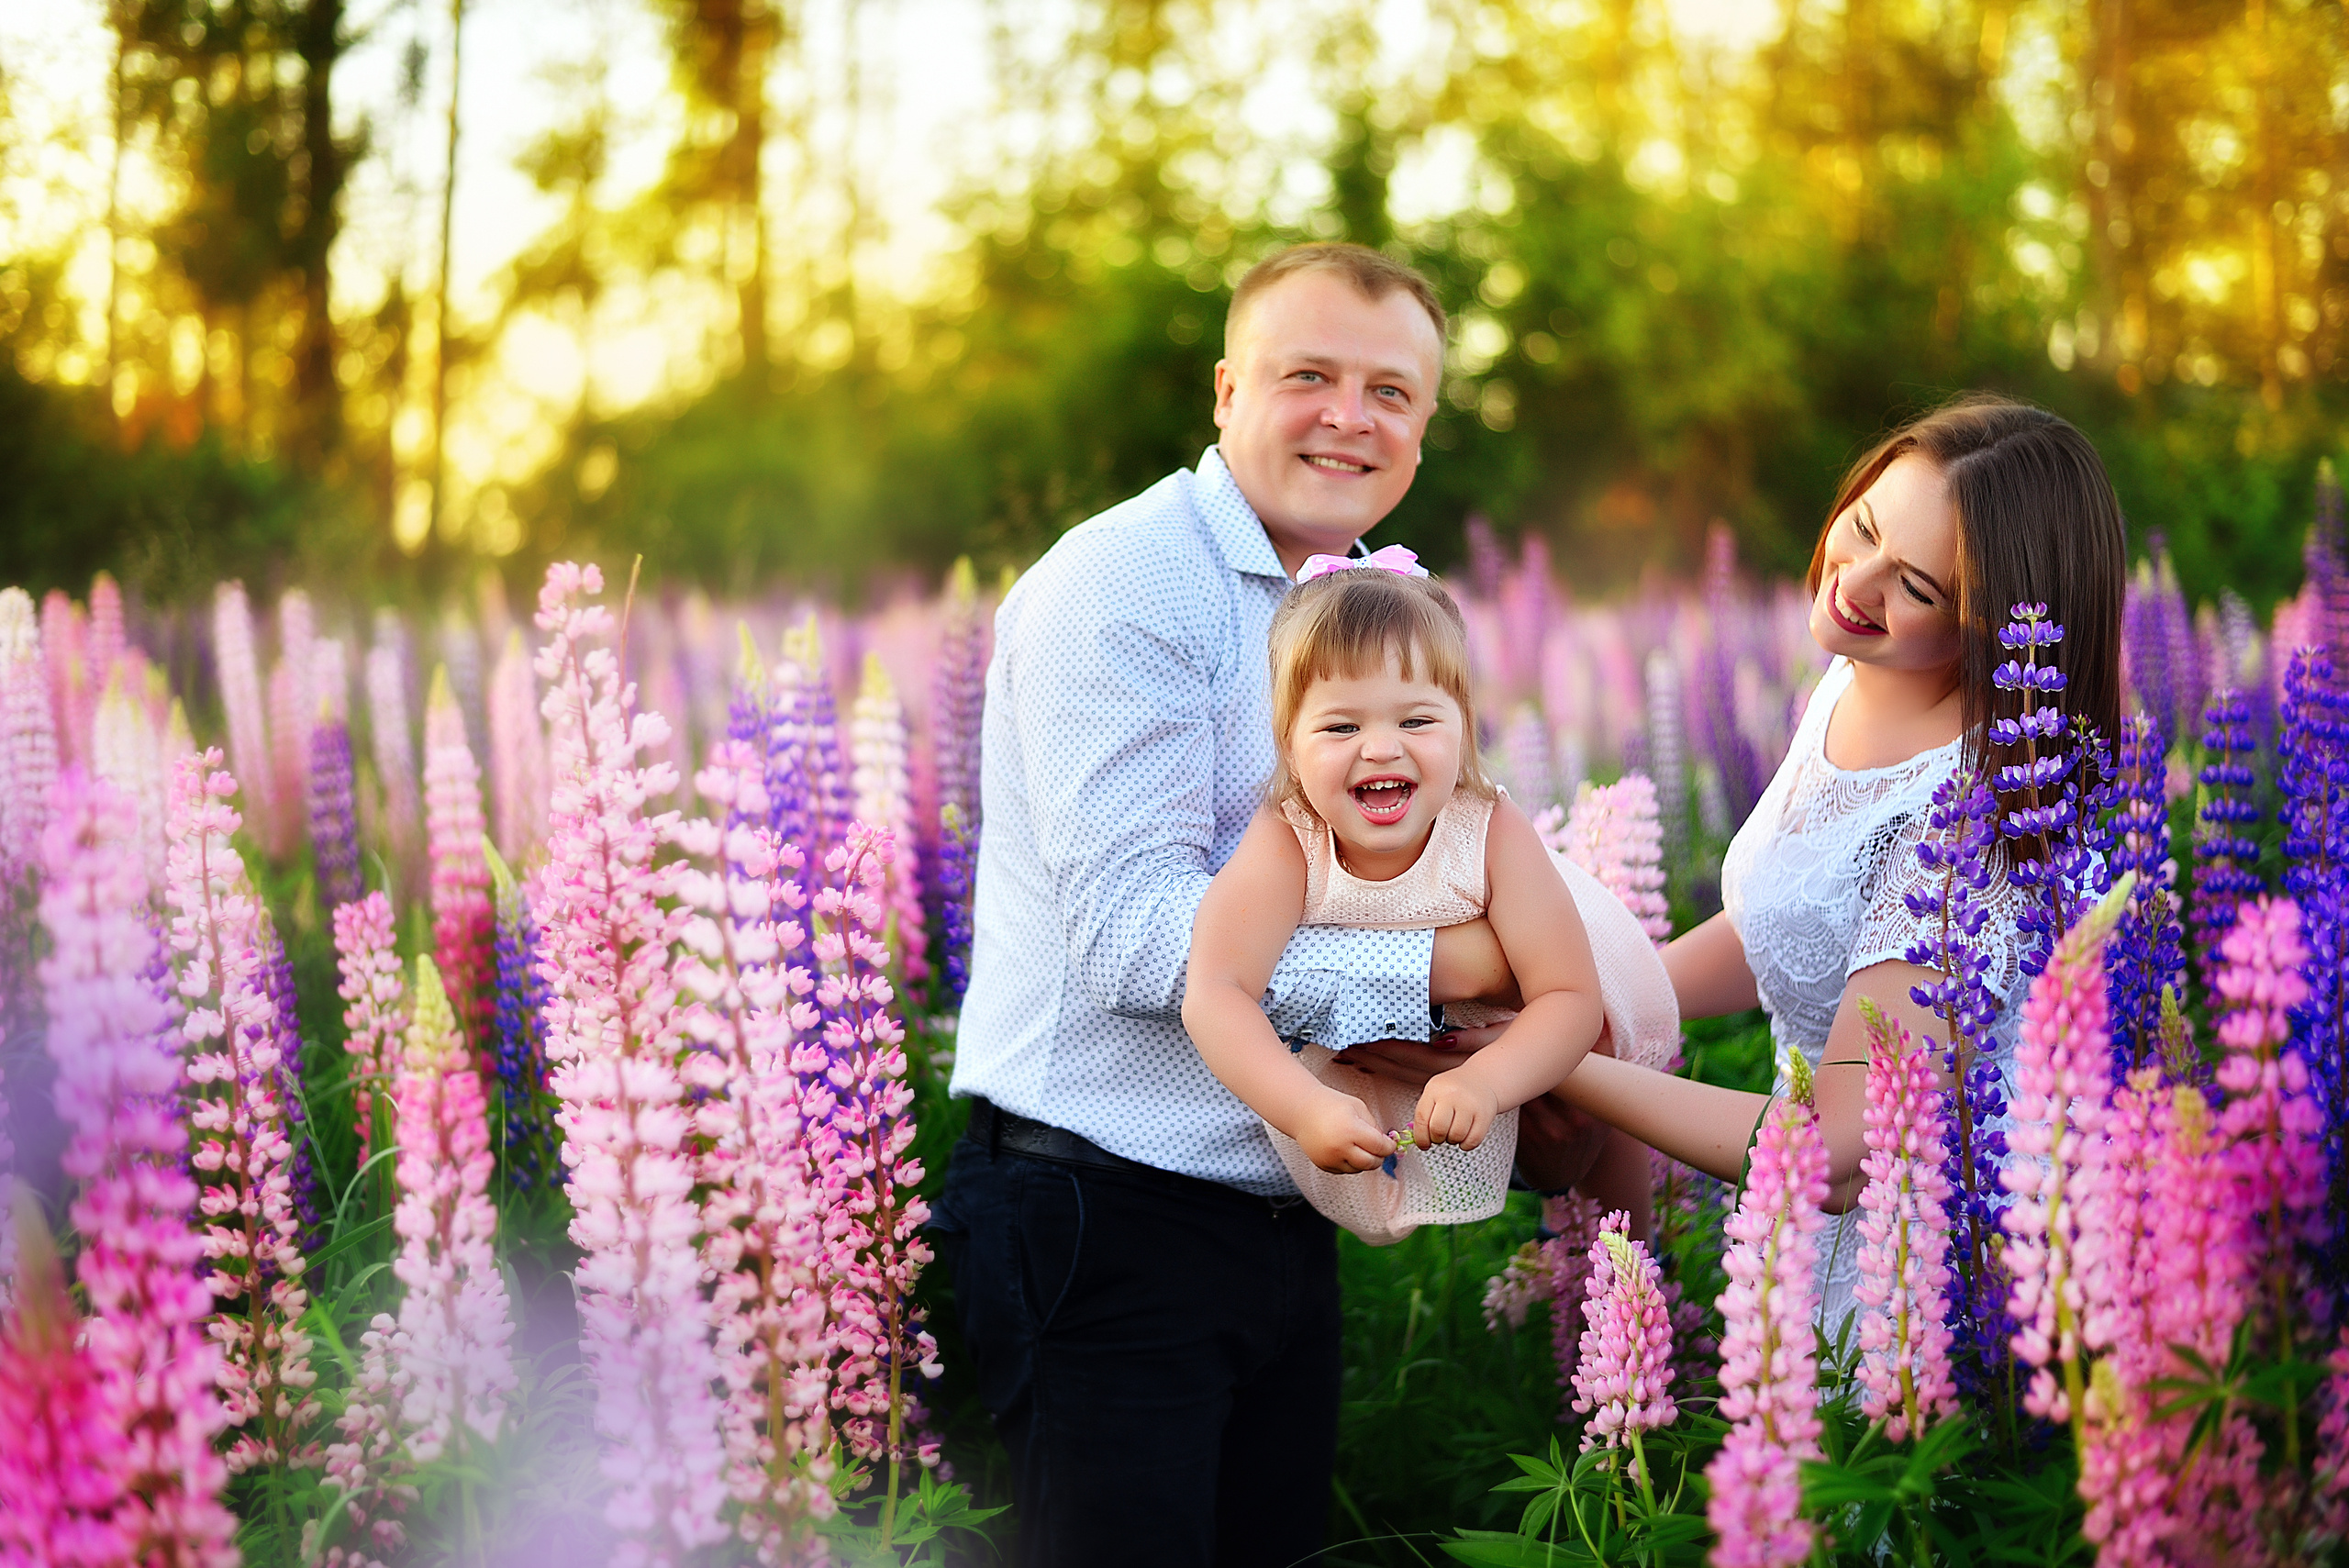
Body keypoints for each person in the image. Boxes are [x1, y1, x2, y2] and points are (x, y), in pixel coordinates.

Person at [930, 242, 1515, 1568]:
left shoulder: (1367, 608)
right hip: (1101, 1214)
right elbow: (1140, 940)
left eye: (1389, 392)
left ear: (1422, 427)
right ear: (1225, 388)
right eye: (1308, 375)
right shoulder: (1125, 585)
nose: (1348, 418)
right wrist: (1443, 970)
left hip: (1276, 1206)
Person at [1336, 394, 2126, 1326]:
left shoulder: (1975, 817)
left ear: (1991, 627)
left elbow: (1836, 1149)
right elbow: (1787, 928)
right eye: (1864, 525)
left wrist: (1535, 1058)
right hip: (1802, 1241)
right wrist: (1582, 999)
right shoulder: (1858, 673)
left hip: (1929, 1288)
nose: (1856, 581)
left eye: (1915, 586)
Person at [1183, 558, 1659, 1245]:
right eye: (1340, 728)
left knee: (1605, 1093)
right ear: (1288, 741)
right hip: (1375, 1058)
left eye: (1416, 719)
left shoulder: (1488, 827)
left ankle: (1641, 1272)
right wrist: (1304, 1105)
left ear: (1463, 725)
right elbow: (1217, 990)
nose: (1381, 748)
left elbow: (1569, 997)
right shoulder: (1290, 834)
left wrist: (1489, 1081)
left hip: (1523, 1028)